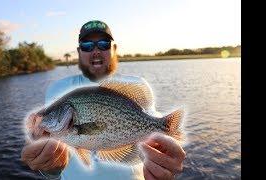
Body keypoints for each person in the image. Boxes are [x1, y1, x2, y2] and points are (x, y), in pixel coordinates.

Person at [21, 20, 186, 180]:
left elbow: (151, 143)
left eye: (104, 44)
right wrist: (48, 168)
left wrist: (164, 161)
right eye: (87, 46)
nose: (96, 51)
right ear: (79, 52)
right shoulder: (57, 89)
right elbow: (53, 165)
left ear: (114, 49)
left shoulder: (137, 84)